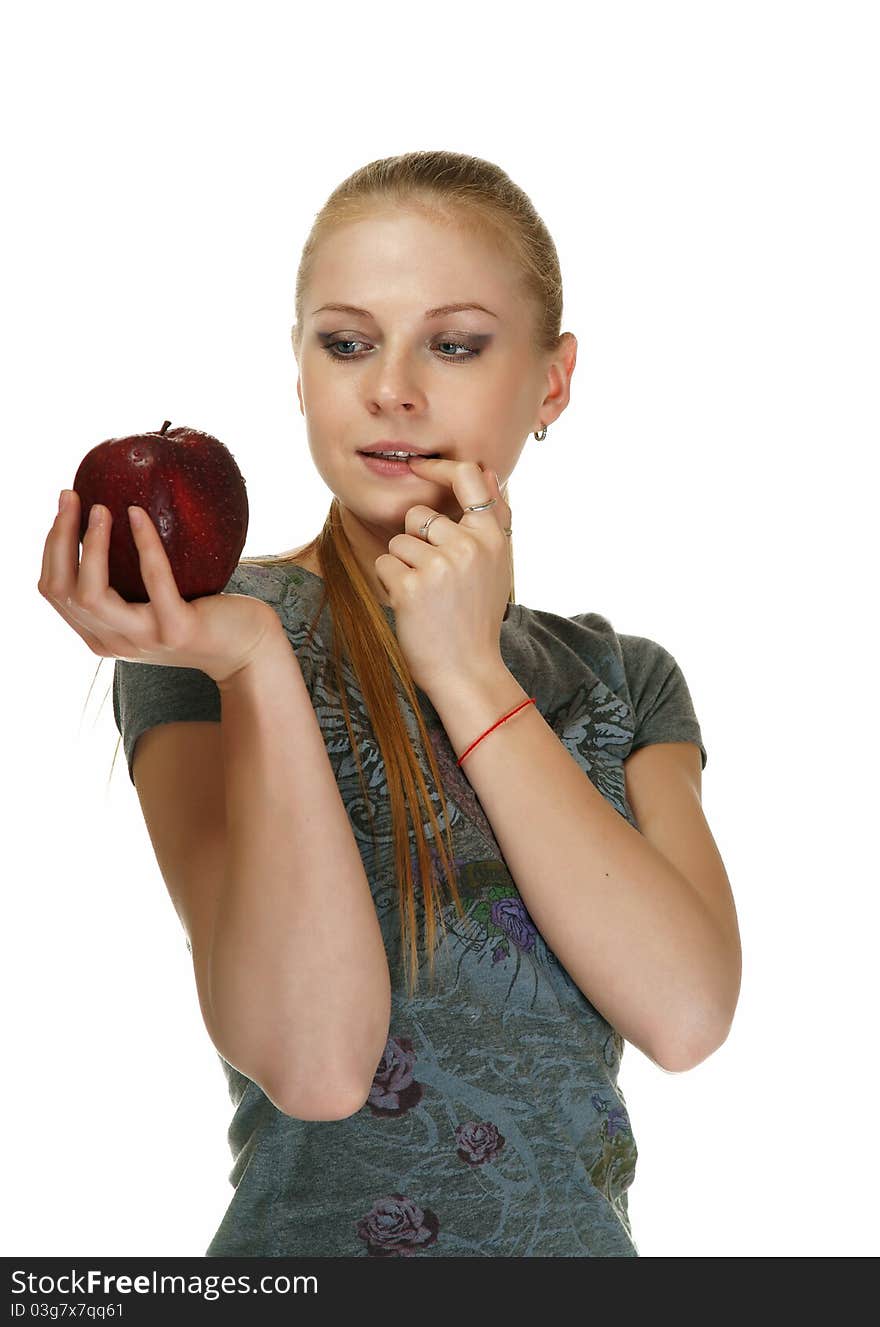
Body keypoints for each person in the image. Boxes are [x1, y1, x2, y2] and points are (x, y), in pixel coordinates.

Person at [38, 149, 741, 1258]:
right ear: (302, 368)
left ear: (552, 380)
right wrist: (258, 663)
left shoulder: (619, 679)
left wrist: (468, 671)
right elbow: (314, 1063)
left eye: (453, 344)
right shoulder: (211, 638)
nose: (390, 387)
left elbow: (686, 1013)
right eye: (348, 341)